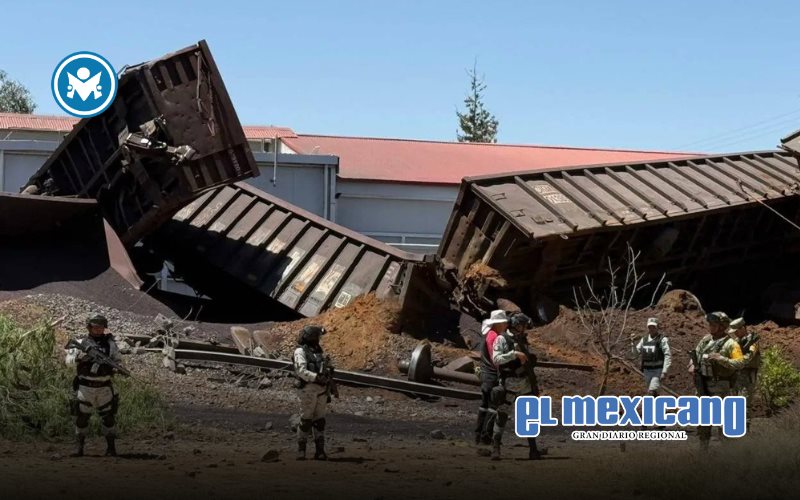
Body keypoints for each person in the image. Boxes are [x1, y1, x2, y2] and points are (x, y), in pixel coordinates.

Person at [64, 314, 123, 457]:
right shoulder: (80, 342)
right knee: (82, 417)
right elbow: (69, 361)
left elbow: (117, 360)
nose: (98, 330)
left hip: (104, 387)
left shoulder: (110, 344)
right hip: (85, 387)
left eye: (101, 327)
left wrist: (116, 368)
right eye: (95, 327)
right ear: (89, 327)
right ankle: (79, 448)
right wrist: (84, 357)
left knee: (108, 417)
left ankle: (111, 449)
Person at [490, 311, 542, 461]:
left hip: (525, 384)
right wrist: (514, 355)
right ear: (517, 325)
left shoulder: (522, 340)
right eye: (523, 326)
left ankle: (533, 450)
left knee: (529, 417)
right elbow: (497, 358)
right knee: (502, 416)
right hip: (510, 385)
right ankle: (496, 448)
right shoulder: (502, 339)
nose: (524, 329)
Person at [690, 311, 744, 450]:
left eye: (713, 324)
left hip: (720, 385)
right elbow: (695, 355)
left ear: (721, 326)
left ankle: (727, 451)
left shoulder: (731, 344)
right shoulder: (706, 340)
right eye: (710, 324)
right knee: (703, 419)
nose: (710, 326)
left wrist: (722, 359)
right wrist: (692, 365)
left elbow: (740, 363)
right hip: (703, 384)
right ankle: (703, 449)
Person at [293, 325, 335, 460]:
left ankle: (320, 451)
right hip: (308, 390)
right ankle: (301, 450)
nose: (318, 339)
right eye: (317, 336)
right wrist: (316, 377)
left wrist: (327, 379)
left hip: (321, 390)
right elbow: (301, 371)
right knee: (306, 420)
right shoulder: (300, 352)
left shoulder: (318, 352)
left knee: (320, 421)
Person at [474, 310, 508, 445]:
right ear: (498, 323)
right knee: (493, 407)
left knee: (484, 406)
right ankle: (486, 436)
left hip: (485, 375)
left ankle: (478, 435)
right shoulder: (494, 337)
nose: (506, 325)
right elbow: (496, 359)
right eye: (504, 323)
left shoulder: (488, 335)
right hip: (492, 376)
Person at [630, 317, 672, 396]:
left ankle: (649, 405)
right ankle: (657, 406)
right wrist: (633, 343)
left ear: (657, 327)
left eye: (653, 327)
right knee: (653, 392)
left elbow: (667, 355)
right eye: (649, 327)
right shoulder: (644, 339)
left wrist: (665, 371)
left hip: (658, 371)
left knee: (652, 391)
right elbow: (635, 354)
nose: (651, 329)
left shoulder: (662, 340)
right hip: (647, 371)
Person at [728, 318, 760, 402]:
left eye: (736, 331)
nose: (735, 333)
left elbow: (749, 356)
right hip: (736, 377)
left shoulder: (753, 341)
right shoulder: (736, 341)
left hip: (748, 377)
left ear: (742, 328)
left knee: (745, 404)